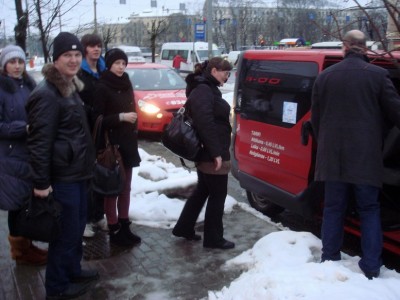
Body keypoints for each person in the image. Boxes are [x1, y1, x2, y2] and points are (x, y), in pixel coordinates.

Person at [311, 29, 400, 280]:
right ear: (364, 48)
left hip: (332, 158)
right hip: (366, 159)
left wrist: (327, 144)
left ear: (345, 47)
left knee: (333, 208)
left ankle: (330, 257)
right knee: (369, 209)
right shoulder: (379, 76)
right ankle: (371, 266)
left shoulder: (325, 77)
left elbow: (316, 120)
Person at [26, 32, 99, 299]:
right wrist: (41, 183)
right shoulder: (47, 94)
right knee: (64, 233)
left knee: (77, 226)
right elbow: (39, 143)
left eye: (77, 54)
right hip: (62, 177)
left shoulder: (70, 88)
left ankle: (72, 270)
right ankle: (57, 288)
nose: (73, 59)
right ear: (55, 59)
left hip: (77, 173)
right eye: (67, 55)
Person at [172, 57, 234, 249]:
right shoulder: (204, 89)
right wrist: (216, 153)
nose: (227, 76)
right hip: (211, 151)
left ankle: (184, 227)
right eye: (225, 72)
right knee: (218, 194)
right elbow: (204, 122)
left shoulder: (206, 87)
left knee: (203, 191)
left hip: (208, 149)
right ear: (214, 70)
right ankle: (214, 238)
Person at [0, 45, 47, 265]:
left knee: (26, 202)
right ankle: (19, 250)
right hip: (10, 156)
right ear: (4, 65)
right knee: (15, 204)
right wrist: (24, 128)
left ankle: (27, 245)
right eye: (12, 62)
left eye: (20, 61)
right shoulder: (1, 89)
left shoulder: (30, 85)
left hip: (30, 153)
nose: (17, 66)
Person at [93, 48, 141, 247]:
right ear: (109, 65)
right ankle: (114, 229)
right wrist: (120, 117)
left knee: (126, 188)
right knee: (112, 189)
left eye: (123, 63)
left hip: (128, 143)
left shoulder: (126, 81)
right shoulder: (102, 86)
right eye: (117, 63)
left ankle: (124, 225)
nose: (121, 67)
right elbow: (97, 118)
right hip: (112, 147)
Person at [77, 33, 107, 238]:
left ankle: (98, 214)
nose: (96, 49)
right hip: (85, 132)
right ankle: (85, 219)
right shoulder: (79, 73)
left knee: (102, 174)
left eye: (98, 46)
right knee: (86, 177)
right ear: (84, 49)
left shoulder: (105, 70)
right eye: (91, 46)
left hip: (104, 130)